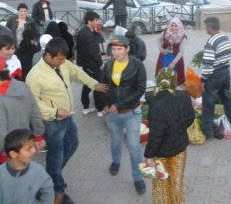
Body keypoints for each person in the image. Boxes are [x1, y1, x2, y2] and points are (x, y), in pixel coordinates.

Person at [26, 38, 108, 204]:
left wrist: (94, 85)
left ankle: (47, 178)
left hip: (68, 117)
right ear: (48, 55)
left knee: (72, 145)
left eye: (64, 59)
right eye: (60, 59)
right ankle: (58, 191)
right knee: (55, 159)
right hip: (53, 122)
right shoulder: (34, 75)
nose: (63, 62)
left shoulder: (63, 64)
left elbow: (77, 73)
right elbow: (33, 105)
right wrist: (55, 112)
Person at [102, 35, 147, 195]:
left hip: (132, 113)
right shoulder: (108, 65)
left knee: (134, 147)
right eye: (113, 49)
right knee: (115, 141)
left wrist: (118, 105)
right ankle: (116, 161)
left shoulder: (137, 65)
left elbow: (140, 89)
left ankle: (137, 177)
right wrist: (106, 105)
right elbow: (105, 86)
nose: (116, 52)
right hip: (113, 114)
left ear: (127, 49)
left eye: (119, 49)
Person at [144, 68, 195, 204]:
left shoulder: (155, 104)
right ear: (174, 82)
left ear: (158, 81)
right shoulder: (184, 96)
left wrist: (148, 156)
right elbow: (191, 118)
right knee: (177, 182)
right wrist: (179, 128)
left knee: (161, 184)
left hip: (161, 154)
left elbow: (156, 136)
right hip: (180, 150)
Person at [0, 56, 45, 163]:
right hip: (23, 144)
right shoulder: (23, 86)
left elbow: (1, 130)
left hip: (6, 152)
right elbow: (35, 113)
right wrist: (39, 136)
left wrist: (4, 151)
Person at [201, 17, 231, 139]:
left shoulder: (211, 42)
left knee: (208, 104)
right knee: (227, 100)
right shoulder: (225, 37)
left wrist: (203, 80)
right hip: (225, 72)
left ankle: (209, 132)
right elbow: (228, 54)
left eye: (206, 27)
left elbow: (207, 63)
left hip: (214, 76)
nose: (205, 29)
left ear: (210, 27)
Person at [0, 129, 54, 204]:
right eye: (29, 148)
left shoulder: (37, 171)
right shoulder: (1, 173)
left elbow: (48, 189)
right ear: (13, 154)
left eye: (33, 146)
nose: (34, 150)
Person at [76, 11, 106, 117]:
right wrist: (100, 62)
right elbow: (92, 51)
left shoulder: (83, 31)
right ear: (89, 21)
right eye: (96, 20)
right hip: (91, 64)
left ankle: (86, 107)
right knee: (97, 85)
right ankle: (100, 109)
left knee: (87, 84)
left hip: (85, 63)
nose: (98, 22)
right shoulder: (87, 34)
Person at [156, 17, 187, 86]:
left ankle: (173, 90)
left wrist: (173, 63)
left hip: (176, 59)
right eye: (172, 25)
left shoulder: (182, 37)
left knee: (174, 77)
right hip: (164, 57)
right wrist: (160, 48)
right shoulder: (165, 33)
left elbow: (181, 52)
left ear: (179, 26)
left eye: (176, 26)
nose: (173, 28)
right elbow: (158, 40)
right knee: (163, 74)